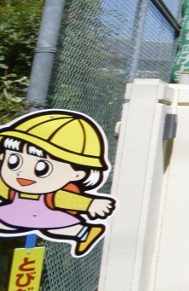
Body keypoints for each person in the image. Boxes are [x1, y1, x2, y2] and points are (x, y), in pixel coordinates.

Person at [0, 110, 116, 257]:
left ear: (78, 174)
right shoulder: (11, 189)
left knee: (56, 228)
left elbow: (67, 199)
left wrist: (90, 204)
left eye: (42, 169)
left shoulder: (51, 195)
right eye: (13, 162)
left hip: (46, 216)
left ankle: (86, 232)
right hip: (15, 215)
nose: (22, 173)